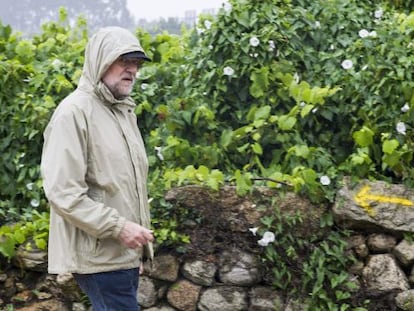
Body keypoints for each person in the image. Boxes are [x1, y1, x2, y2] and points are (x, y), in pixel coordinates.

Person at [40, 26, 154, 311]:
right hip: (99, 257)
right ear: (101, 60)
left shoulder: (123, 112)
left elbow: (127, 187)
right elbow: (63, 192)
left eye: (136, 63)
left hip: (120, 256)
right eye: (124, 61)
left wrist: (134, 255)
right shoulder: (74, 113)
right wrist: (119, 228)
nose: (132, 70)